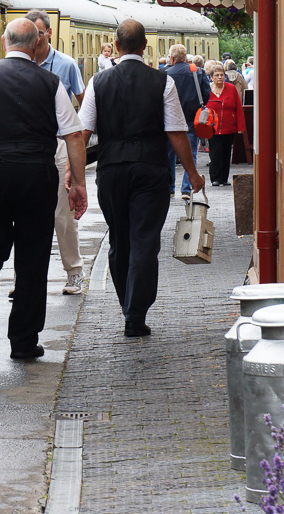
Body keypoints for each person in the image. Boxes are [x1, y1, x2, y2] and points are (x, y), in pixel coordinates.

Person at [0, 18, 88, 360]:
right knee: (32, 257)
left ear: (4, 42)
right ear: (37, 43)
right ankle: (22, 341)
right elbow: (74, 137)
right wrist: (77, 183)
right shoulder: (51, 82)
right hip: (37, 177)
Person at [78, 19, 204, 336]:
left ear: (116, 46)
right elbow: (176, 132)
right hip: (151, 169)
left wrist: (73, 174)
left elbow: (82, 134)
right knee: (144, 241)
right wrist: (192, 172)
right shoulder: (162, 82)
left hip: (111, 170)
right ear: (145, 46)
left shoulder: (97, 82)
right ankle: (135, 313)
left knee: (119, 239)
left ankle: (127, 304)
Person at [28, 10, 86, 296]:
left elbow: (84, 105)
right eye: (31, 33)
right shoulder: (20, 63)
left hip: (59, 143)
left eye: (39, 33)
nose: (35, 39)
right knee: (27, 214)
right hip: (29, 143)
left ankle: (74, 272)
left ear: (49, 33)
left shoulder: (66, 65)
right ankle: (24, 277)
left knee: (64, 213)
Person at [165, 44, 210, 200]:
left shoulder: (164, 74)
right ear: (185, 58)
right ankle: (186, 188)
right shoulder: (197, 72)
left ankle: (170, 187)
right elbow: (206, 95)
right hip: (191, 120)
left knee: (169, 155)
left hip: (169, 121)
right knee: (191, 154)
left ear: (172, 58)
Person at [205, 64, 246, 186]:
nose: (220, 77)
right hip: (213, 127)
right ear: (211, 77)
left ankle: (224, 178)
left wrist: (241, 127)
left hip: (229, 126)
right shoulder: (207, 90)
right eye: (217, 75)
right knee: (215, 152)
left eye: (222, 75)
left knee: (226, 152)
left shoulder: (231, 88)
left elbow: (238, 107)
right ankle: (215, 178)